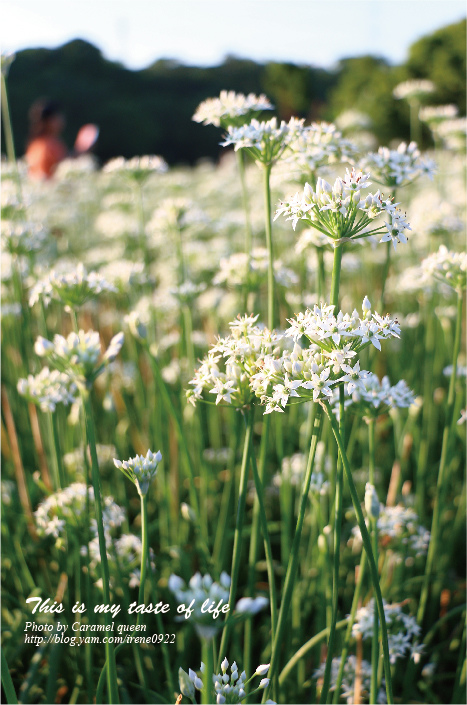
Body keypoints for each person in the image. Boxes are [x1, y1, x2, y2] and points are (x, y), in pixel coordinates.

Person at [25, 99, 98, 179]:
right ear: (49, 121)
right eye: (58, 117)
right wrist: (81, 150)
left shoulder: (36, 143)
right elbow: (63, 167)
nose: (62, 119)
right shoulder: (48, 144)